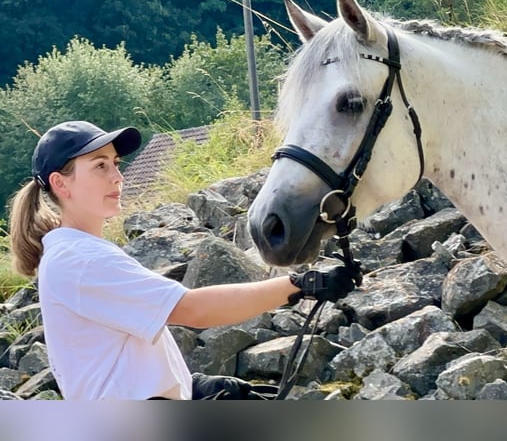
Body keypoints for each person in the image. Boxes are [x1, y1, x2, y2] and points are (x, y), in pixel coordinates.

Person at [8, 120, 360, 400]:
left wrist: (190, 387)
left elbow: (115, 360)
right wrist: (301, 284)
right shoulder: (80, 259)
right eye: (99, 166)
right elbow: (191, 309)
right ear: (61, 184)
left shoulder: (76, 254)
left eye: (115, 164)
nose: (117, 176)